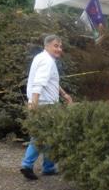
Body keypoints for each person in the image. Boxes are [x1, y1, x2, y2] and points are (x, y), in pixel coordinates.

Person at [20, 35, 73, 180]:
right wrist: (34, 107)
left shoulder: (41, 58)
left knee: (49, 136)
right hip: (45, 106)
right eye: (56, 46)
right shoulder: (47, 62)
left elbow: (51, 81)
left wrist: (64, 94)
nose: (59, 49)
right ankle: (27, 165)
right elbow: (38, 84)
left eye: (60, 46)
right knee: (40, 136)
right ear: (47, 46)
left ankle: (48, 167)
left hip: (44, 103)